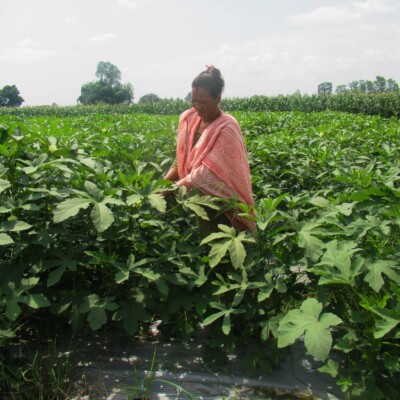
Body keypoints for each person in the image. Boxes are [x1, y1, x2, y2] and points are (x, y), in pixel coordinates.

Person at [163, 65, 256, 236]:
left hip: (224, 208)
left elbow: (207, 174)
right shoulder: (189, 120)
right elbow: (181, 157)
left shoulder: (227, 127)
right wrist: (162, 185)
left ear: (218, 98)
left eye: (203, 102)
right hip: (199, 201)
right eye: (193, 100)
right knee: (205, 241)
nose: (197, 106)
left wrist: (173, 188)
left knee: (223, 248)